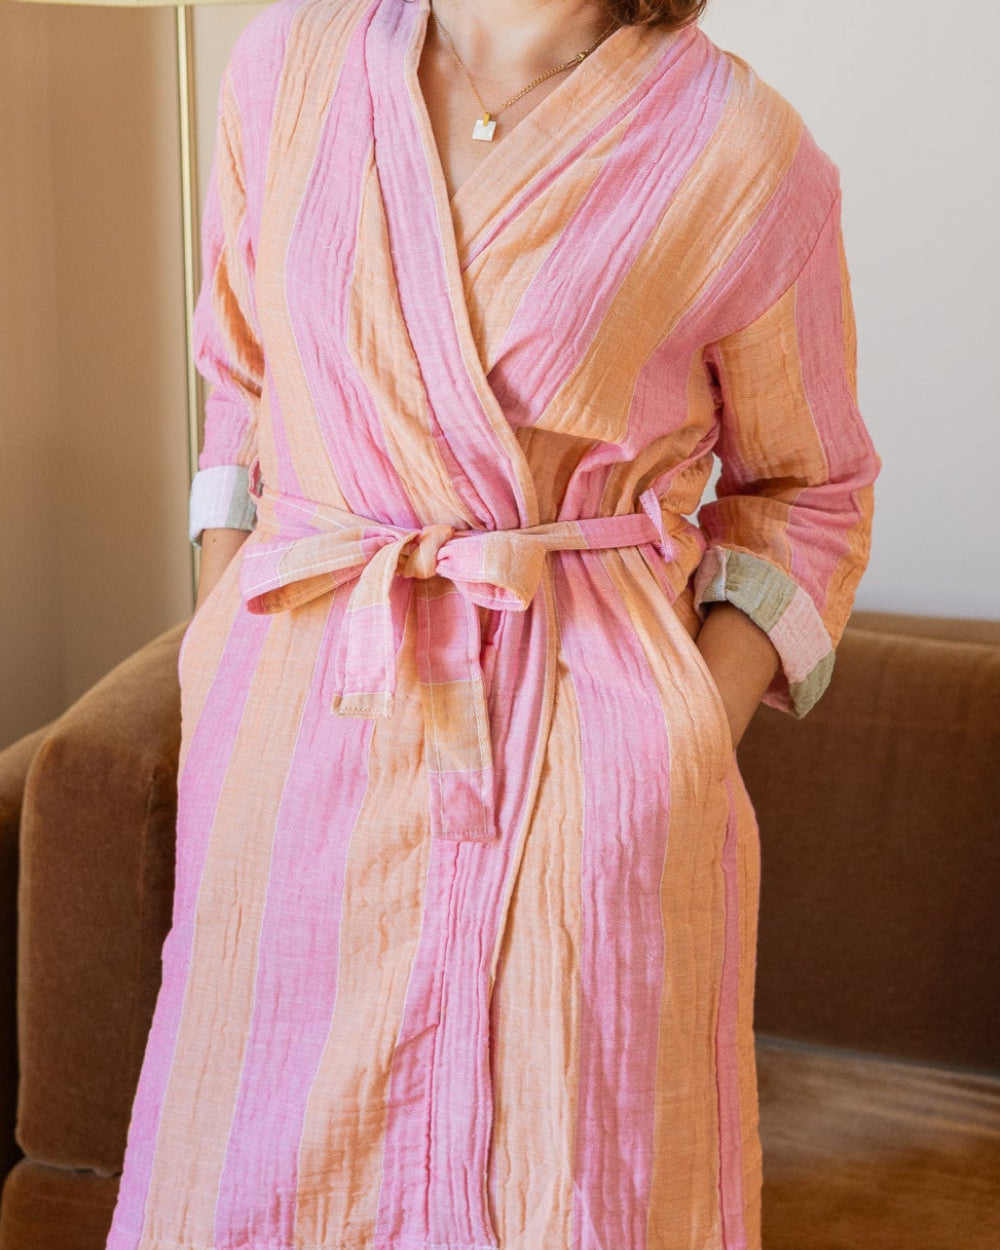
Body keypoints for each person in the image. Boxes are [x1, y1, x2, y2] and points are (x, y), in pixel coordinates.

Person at [105, 0, 881, 1246]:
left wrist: (686, 729)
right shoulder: (287, 66)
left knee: (568, 1176)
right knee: (251, 1175)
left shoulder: (740, 149)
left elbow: (810, 490)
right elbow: (238, 382)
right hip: (300, 725)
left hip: (583, 755)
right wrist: (223, 635)